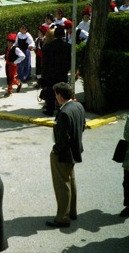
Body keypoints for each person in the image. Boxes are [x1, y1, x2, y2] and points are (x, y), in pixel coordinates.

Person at [47, 82, 85, 228]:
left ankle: (63, 217)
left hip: (63, 154)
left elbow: (64, 138)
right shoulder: (78, 106)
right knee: (71, 181)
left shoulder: (64, 113)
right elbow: (82, 126)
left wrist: (56, 149)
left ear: (60, 96)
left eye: (56, 94)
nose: (55, 97)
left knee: (62, 185)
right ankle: (72, 211)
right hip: (74, 151)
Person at [41, 27, 71, 116]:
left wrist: (43, 74)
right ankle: (62, 110)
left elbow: (45, 62)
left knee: (51, 92)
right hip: (62, 73)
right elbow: (68, 61)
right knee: (62, 91)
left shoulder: (47, 47)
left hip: (50, 73)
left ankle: (50, 110)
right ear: (63, 35)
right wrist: (66, 70)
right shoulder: (68, 46)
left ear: (54, 35)